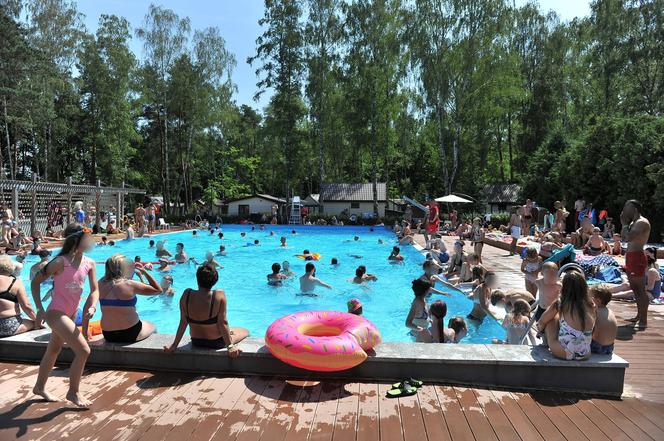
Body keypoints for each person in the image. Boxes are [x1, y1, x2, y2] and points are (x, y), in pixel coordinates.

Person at [30, 223, 99, 407]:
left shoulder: (90, 263)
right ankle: (73, 392)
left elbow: (94, 290)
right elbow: (36, 282)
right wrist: (39, 307)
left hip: (71, 313)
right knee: (84, 350)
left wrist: (92, 306)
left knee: (53, 350)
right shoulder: (60, 262)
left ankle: (39, 387)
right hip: (56, 313)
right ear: (76, 240)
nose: (91, 241)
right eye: (87, 237)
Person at [165, 264, 249, 354]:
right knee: (245, 331)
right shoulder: (218, 295)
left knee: (231, 330)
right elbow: (223, 322)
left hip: (196, 341)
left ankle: (230, 332)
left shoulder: (187, 294)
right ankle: (231, 334)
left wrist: (174, 345)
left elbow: (183, 322)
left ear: (197, 278)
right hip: (216, 342)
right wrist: (230, 346)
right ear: (215, 280)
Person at [96, 254, 160, 343]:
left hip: (108, 334)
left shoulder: (99, 283)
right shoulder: (130, 284)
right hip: (130, 333)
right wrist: (144, 271)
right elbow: (158, 290)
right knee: (152, 325)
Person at [537, 270, 596, 360]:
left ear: (564, 287)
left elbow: (542, 321)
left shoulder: (561, 303)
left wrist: (540, 330)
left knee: (551, 319)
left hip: (564, 352)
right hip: (585, 353)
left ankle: (545, 343)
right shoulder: (591, 304)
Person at [621, 200, 651, 329]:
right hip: (631, 257)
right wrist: (624, 225)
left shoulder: (641, 222)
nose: (624, 210)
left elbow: (628, 238)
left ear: (634, 209)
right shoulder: (633, 223)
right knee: (634, 288)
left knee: (640, 289)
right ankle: (639, 316)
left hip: (637, 257)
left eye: (627, 207)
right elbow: (623, 236)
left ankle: (643, 320)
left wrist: (624, 224)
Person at [0, 256, 36, 337]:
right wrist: (37, 320)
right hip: (8, 326)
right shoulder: (15, 282)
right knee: (34, 324)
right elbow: (26, 306)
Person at [590, 285, 617, 355]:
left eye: (591, 297)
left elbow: (589, 331)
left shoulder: (595, 312)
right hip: (610, 347)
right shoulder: (610, 311)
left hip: (597, 347)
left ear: (598, 300)